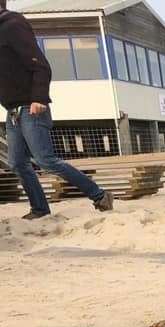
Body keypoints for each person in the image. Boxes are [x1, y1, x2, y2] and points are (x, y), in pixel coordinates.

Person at [0, 0, 113, 219]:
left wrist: (39, 97)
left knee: (44, 160)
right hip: (13, 111)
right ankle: (40, 210)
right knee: (16, 162)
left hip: (31, 107)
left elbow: (41, 65)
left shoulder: (12, 23)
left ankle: (99, 195)